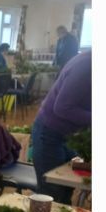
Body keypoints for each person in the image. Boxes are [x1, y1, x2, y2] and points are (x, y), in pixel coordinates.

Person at [30, 50, 91, 203]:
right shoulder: (87, 65)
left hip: (68, 135)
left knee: (65, 190)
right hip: (50, 133)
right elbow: (63, 107)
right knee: (51, 195)